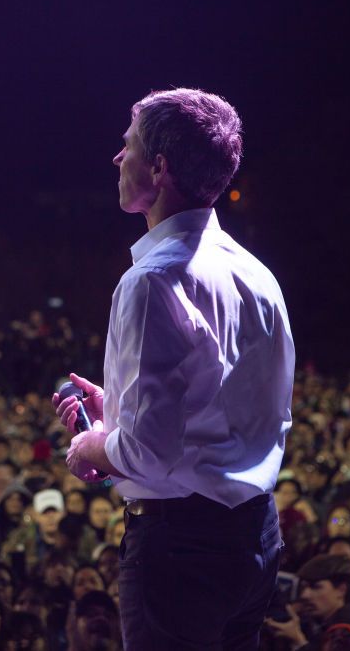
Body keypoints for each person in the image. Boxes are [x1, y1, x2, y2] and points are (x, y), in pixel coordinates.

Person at [54, 88, 295, 648]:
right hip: (254, 534)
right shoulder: (257, 275)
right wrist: (118, 411)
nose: (118, 158)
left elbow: (146, 454)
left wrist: (90, 445)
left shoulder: (151, 281)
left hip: (180, 547)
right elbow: (230, 413)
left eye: (128, 145)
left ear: (158, 169)